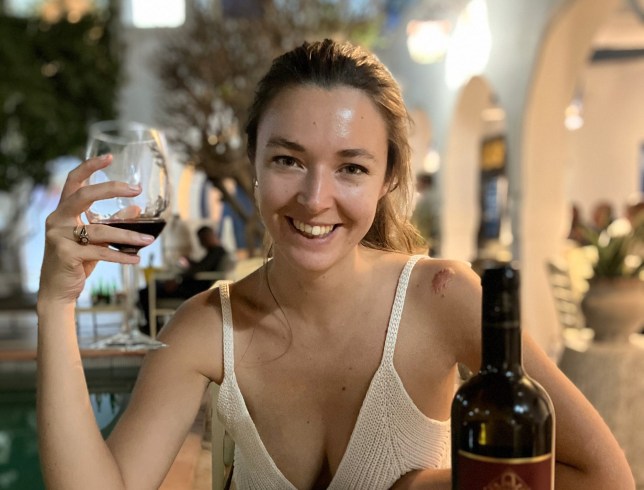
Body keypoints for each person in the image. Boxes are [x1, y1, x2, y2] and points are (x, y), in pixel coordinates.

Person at [37, 39, 634, 490]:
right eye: (289, 160)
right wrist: (56, 303)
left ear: (388, 179)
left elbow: (606, 476)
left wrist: (428, 488)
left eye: (351, 167)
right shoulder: (207, 327)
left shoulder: (443, 296)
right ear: (254, 162)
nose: (315, 197)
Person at [138, 224, 233, 333]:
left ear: (207, 237)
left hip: (192, 291)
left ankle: (151, 328)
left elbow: (200, 270)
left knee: (146, 291)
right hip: (190, 287)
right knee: (153, 286)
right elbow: (202, 267)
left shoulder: (217, 252)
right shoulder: (214, 252)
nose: (200, 243)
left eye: (201, 239)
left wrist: (178, 279)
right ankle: (154, 326)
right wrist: (191, 262)